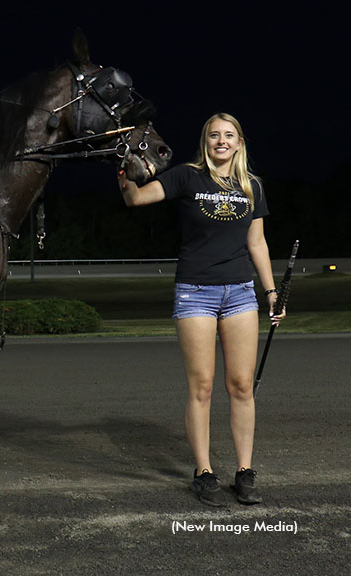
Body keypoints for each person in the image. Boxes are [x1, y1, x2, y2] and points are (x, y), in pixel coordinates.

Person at [119, 113, 285, 507]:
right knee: (203, 386)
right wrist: (126, 176)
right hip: (195, 292)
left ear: (240, 143)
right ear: (205, 142)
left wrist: (271, 291)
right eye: (215, 135)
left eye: (229, 135)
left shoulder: (252, 187)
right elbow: (138, 198)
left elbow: (257, 243)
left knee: (242, 386)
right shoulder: (186, 177)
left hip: (241, 292)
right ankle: (204, 472)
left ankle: (244, 472)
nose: (222, 141)